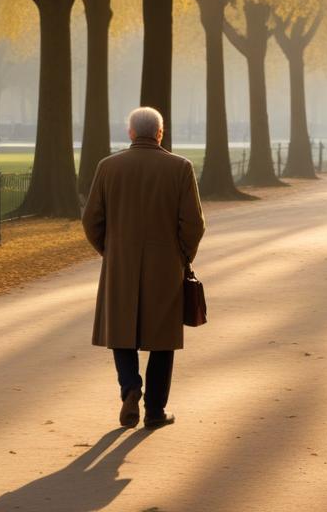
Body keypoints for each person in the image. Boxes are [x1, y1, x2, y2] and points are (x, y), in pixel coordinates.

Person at [82, 107, 206, 430]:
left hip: (120, 264)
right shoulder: (180, 168)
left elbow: (91, 220)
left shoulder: (108, 167)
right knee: (163, 339)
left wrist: (110, 252)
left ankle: (129, 387)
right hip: (165, 267)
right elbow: (194, 224)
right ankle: (154, 410)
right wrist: (182, 256)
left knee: (120, 332)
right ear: (160, 133)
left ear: (131, 133)